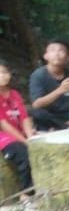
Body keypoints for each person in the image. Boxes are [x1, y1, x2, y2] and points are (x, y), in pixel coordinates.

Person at [28, 39, 69, 130]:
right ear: (45, 56)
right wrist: (60, 90)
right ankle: (66, 126)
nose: (57, 54)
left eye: (61, 51)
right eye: (52, 50)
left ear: (68, 57)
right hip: (50, 115)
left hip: (68, 113)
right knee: (37, 112)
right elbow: (36, 104)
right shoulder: (38, 75)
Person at [0, 60, 36, 189]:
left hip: (18, 132)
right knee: (24, 154)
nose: (2, 76)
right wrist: (26, 142)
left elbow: (24, 118)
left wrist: (30, 137)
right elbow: (4, 125)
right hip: (3, 136)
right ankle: (26, 193)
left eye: (4, 72)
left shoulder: (15, 94)